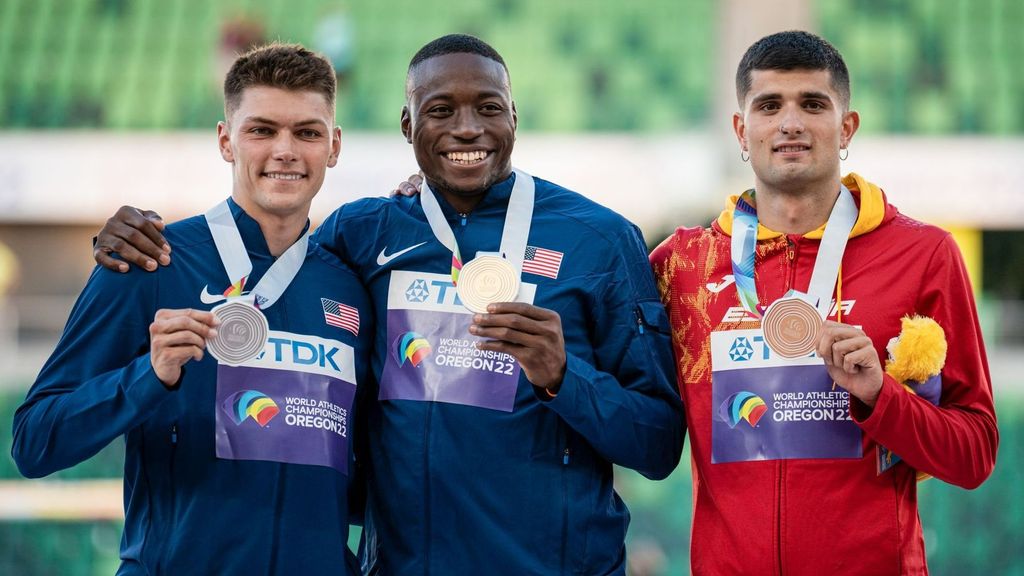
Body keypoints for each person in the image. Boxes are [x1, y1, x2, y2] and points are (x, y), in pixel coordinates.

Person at [90, 34, 685, 575]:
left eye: (488, 107)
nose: (467, 128)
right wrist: (130, 238)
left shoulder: (600, 240)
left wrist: (563, 377)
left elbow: (657, 447)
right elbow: (265, 269)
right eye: (440, 111)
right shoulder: (360, 234)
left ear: (514, 118)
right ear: (408, 126)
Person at [12, 43, 372, 575]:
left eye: (308, 132)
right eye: (261, 130)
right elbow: (34, 442)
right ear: (226, 140)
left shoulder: (350, 287)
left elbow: (360, 471)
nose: (286, 150)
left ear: (334, 146)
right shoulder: (149, 262)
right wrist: (149, 376)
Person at [649, 30, 998, 575]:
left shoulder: (924, 255)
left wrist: (881, 396)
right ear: (742, 131)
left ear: (846, 127)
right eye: (769, 106)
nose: (790, 123)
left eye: (813, 104)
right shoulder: (682, 266)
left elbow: (974, 454)